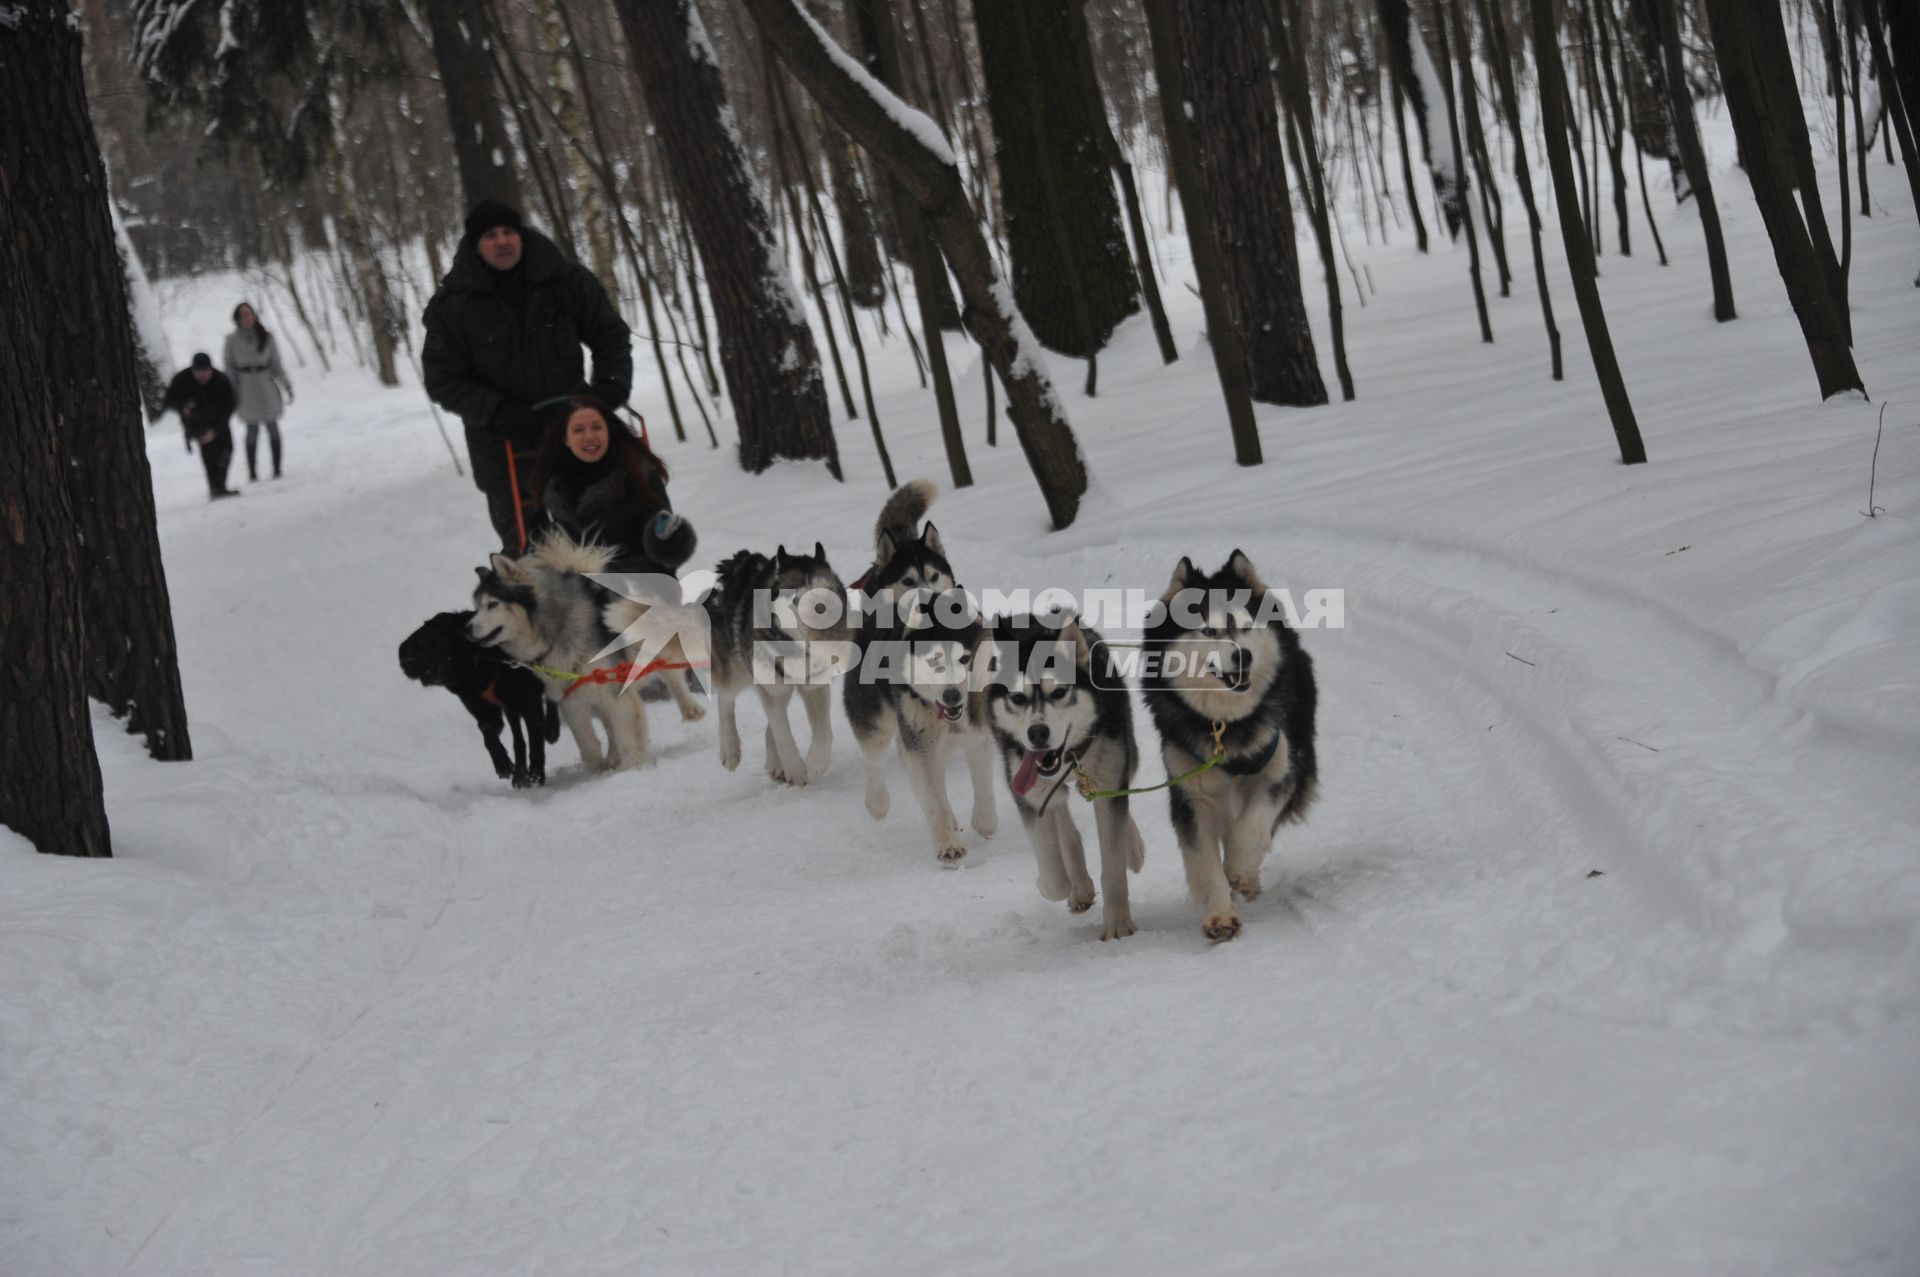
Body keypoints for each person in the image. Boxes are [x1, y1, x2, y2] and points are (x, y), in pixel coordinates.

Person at [422, 199, 633, 553]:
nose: (503, 241)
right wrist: (496, 410)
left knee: (601, 540)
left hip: (575, 433)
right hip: (502, 446)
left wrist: (610, 388)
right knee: (530, 556)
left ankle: (614, 603)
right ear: (475, 246)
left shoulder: (565, 280)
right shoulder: (453, 306)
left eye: (509, 232)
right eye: (491, 236)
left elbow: (609, 333)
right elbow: (442, 379)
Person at [533, 395, 693, 576]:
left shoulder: (639, 475)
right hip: (579, 594)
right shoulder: (555, 489)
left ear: (609, 431)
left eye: (597, 427)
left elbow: (664, 551)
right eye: (578, 430)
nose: (589, 436)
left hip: (641, 585)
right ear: (566, 439)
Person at [223, 301, 294, 481]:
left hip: (266, 384)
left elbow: (276, 364)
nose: (247, 318)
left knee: (273, 427)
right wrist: (229, 391)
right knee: (251, 430)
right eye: (243, 315)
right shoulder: (231, 340)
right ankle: (253, 472)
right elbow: (229, 367)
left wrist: (287, 385)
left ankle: (277, 469)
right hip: (246, 388)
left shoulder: (266, 337)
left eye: (249, 314)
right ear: (237, 319)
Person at [162, 352, 240, 500]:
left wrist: (216, 430)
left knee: (227, 449)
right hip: (195, 420)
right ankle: (215, 488)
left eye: (206, 372)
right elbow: (169, 401)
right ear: (193, 371)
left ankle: (221, 485)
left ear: (211, 370)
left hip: (218, 419)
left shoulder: (221, 380)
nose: (202, 376)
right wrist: (183, 408)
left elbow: (229, 406)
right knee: (209, 451)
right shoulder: (181, 380)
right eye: (199, 372)